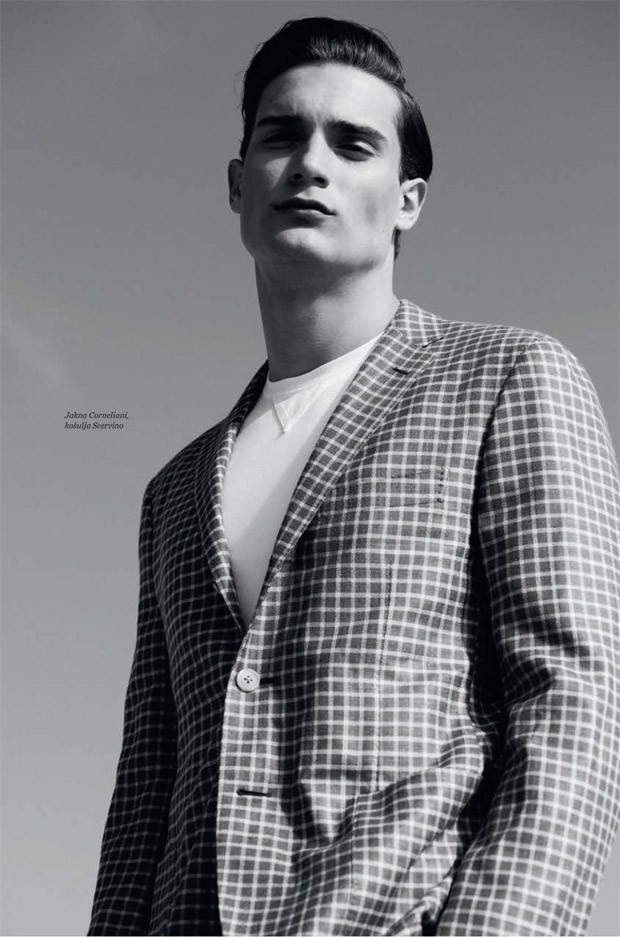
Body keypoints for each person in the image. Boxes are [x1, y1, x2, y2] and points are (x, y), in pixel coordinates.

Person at [87, 17, 620, 937]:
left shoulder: (505, 378)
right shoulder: (173, 492)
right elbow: (146, 788)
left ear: (407, 199)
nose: (310, 163)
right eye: (282, 135)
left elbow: (571, 702)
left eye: (353, 143)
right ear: (237, 183)